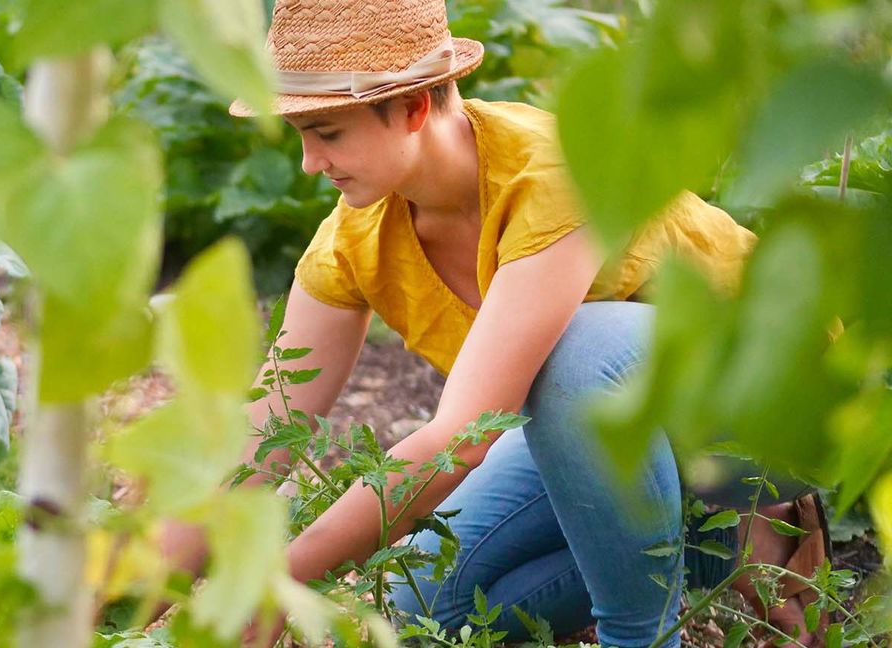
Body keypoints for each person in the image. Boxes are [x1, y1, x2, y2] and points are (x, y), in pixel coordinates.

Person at [159, 0, 830, 646]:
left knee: (577, 355)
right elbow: (262, 437)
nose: (310, 163)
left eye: (327, 133)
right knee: (417, 603)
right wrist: (124, 585)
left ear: (415, 106)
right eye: (303, 136)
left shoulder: (552, 173)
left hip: (776, 407)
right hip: (614, 437)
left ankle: (640, 635)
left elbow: (462, 438)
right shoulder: (355, 237)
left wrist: (287, 573)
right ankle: (726, 545)